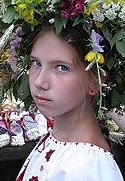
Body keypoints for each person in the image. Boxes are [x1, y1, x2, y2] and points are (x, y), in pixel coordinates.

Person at [15, 21, 124, 181]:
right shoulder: (59, 141)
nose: (39, 81)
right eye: (36, 63)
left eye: (61, 67)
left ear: (94, 80)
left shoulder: (86, 168)